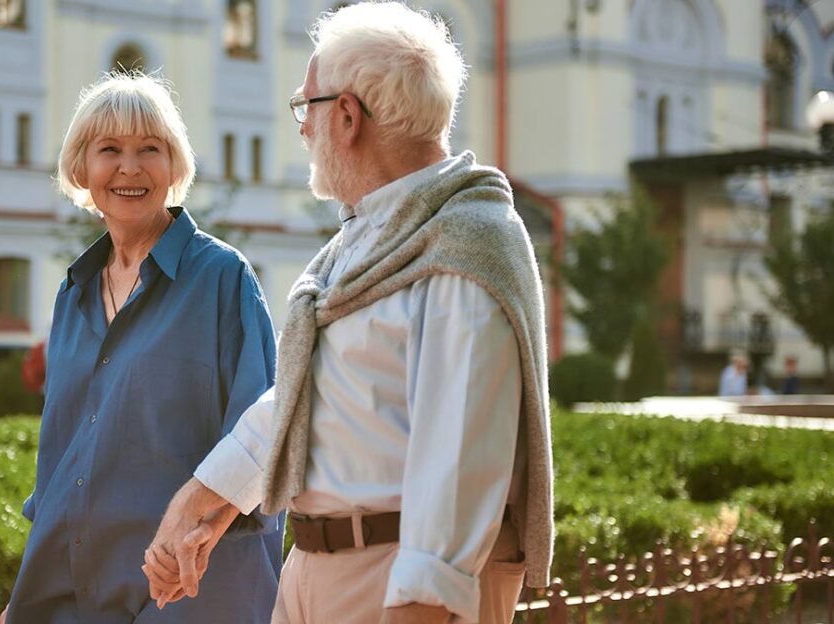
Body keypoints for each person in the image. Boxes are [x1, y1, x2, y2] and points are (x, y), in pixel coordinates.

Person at [142, 4, 554, 623]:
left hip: (393, 582)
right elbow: (306, 394)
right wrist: (202, 501)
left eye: (305, 107)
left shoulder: (464, 242)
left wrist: (421, 605)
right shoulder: (370, 239)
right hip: (315, 569)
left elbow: (460, 459)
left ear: (346, 116)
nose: (302, 129)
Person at [0, 73, 282, 623]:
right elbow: (58, 462)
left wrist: (194, 541)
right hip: (78, 594)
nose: (130, 167)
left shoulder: (223, 279)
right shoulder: (73, 294)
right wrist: (28, 593)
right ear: (81, 170)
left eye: (149, 149)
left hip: (195, 592)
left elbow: (263, 446)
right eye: (110, 150)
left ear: (175, 166)